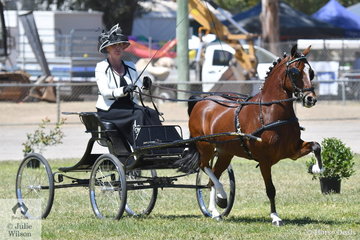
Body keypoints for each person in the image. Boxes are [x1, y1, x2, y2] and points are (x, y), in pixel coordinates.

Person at [95, 23, 161, 148]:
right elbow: (104, 91)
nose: (118, 48)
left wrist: (145, 87)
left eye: (120, 45)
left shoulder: (130, 65)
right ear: (107, 49)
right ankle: (141, 145)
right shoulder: (101, 67)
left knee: (151, 112)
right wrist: (123, 89)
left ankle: (160, 144)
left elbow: (139, 90)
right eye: (114, 45)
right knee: (139, 113)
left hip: (129, 107)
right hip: (110, 110)